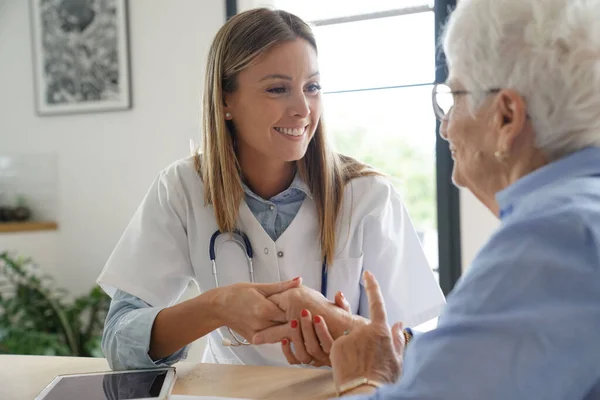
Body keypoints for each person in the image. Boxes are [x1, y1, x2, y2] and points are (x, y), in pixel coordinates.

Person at [96, 8, 444, 370]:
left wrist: (346, 331)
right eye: (278, 89)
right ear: (225, 100)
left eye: (312, 87)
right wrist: (217, 306)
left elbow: (427, 353)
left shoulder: (369, 196)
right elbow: (121, 343)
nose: (303, 109)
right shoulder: (182, 189)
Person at [308, 0, 600, 398]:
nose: (446, 126)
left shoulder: (550, 240)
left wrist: (365, 377)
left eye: (454, 96)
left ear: (506, 117)